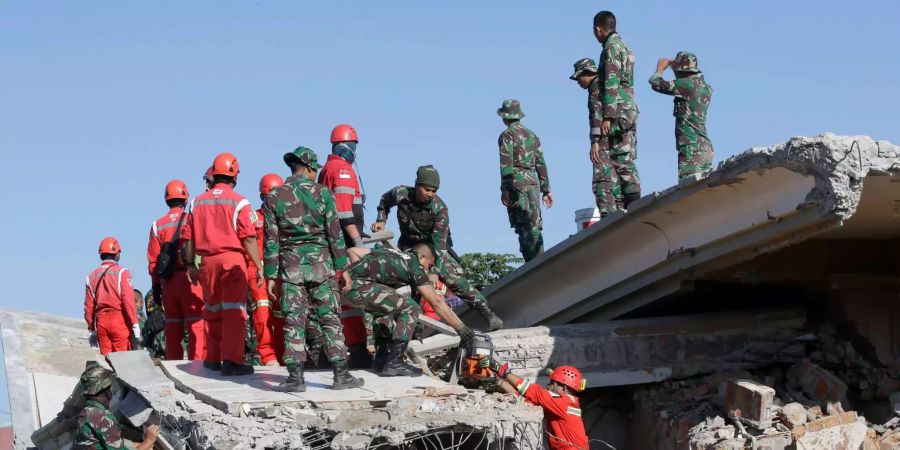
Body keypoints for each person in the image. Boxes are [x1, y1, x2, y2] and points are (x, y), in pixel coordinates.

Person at [263, 146, 364, 392]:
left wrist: (270, 276)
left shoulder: (274, 196)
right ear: (309, 168)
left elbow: (271, 240)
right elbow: (335, 235)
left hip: (291, 268)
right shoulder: (323, 193)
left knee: (293, 321)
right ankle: (341, 376)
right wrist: (343, 269)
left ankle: (295, 379)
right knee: (330, 319)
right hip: (322, 266)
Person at [372, 165, 503, 331]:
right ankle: (411, 328)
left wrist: (433, 270)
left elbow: (439, 245)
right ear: (417, 185)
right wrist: (381, 219)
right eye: (427, 189)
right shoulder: (400, 194)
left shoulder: (439, 209)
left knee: (453, 278)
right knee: (408, 283)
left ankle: (488, 314)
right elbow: (384, 201)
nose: (430, 194)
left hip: (433, 249)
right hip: (408, 247)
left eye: (434, 191)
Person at [183, 152, 262, 376]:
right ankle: (231, 361)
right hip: (232, 261)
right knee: (234, 312)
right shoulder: (240, 202)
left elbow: (189, 237)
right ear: (234, 175)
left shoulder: (197, 202)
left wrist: (190, 264)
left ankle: (213, 358)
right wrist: (259, 265)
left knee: (212, 310)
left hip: (207, 263)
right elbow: (248, 237)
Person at [345, 243, 476, 376]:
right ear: (422, 257)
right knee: (411, 308)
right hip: (358, 289)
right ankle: (395, 362)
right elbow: (436, 302)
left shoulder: (391, 253)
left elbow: (352, 250)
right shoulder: (415, 266)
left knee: (385, 309)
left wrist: (361, 274)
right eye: (429, 266)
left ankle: (382, 360)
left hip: (345, 288)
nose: (428, 270)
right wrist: (462, 329)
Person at [317, 124, 371, 368]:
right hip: (345, 244)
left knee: (336, 299)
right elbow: (345, 212)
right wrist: (358, 243)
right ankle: (357, 350)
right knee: (349, 298)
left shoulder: (327, 169)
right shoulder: (343, 169)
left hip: (331, 243)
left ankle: (330, 350)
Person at [587, 10, 641, 217]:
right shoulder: (626, 47)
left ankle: (629, 203)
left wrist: (608, 116)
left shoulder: (609, 48)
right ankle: (633, 201)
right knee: (626, 155)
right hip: (629, 105)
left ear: (598, 29)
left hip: (616, 107)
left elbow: (610, 81)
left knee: (618, 157)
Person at [147, 179, 205, 361]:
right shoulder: (191, 219)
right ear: (186, 198)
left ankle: (173, 365)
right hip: (190, 279)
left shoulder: (158, 225)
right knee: (197, 325)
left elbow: (153, 260)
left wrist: (156, 286)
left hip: (168, 282)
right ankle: (198, 366)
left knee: (172, 326)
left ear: (166, 200)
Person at [480, 358, 588, 450]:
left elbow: (532, 392)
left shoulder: (564, 403)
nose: (548, 386)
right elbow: (524, 402)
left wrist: (502, 371)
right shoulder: (563, 404)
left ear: (563, 388)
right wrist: (499, 381)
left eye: (551, 383)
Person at [496, 99, 553, 261]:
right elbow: (540, 162)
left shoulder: (507, 135)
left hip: (517, 182)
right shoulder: (532, 135)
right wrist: (546, 189)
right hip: (533, 181)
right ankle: (540, 259)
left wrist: (505, 188)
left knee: (522, 224)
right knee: (535, 224)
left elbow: (506, 163)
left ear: (505, 117)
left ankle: (531, 262)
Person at [649, 51, 714, 180]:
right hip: (705, 147)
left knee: (689, 189)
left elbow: (655, 82)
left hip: (691, 146)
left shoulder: (686, 85)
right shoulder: (706, 87)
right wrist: (677, 65)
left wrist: (660, 68)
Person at [74, 363, 159, 450]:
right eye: (111, 386)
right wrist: (149, 441)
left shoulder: (88, 410)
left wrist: (139, 445)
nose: (112, 389)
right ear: (106, 388)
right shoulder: (101, 417)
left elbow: (112, 441)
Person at [249, 173, 286, 366]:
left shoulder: (287, 217)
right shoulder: (254, 217)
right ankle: (267, 354)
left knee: (282, 315)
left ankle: (281, 354)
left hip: (282, 270)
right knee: (262, 313)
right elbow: (247, 244)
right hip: (259, 270)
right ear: (263, 196)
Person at [84, 237, 139, 355]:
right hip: (119, 321)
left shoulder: (91, 277)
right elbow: (128, 301)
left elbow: (89, 307)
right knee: (122, 361)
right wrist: (135, 324)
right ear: (116, 254)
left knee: (107, 362)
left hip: (101, 323)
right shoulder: (122, 272)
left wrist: (91, 330)